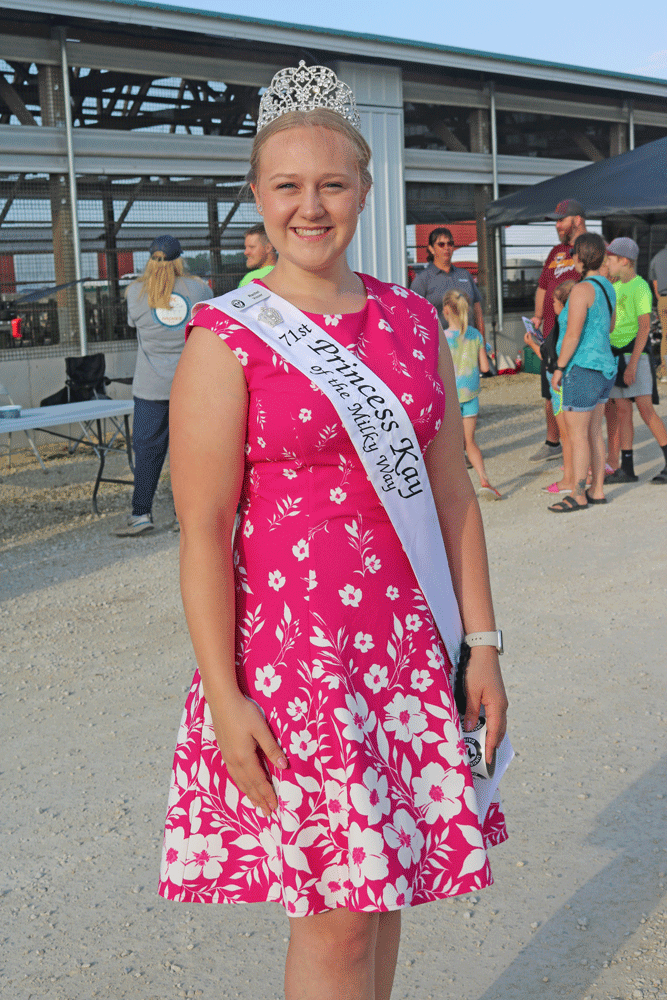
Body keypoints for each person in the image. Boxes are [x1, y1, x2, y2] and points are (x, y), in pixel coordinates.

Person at [158, 62, 508, 1000]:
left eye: (331, 184)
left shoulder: (409, 319)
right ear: (258, 198)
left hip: (403, 653)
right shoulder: (227, 335)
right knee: (339, 920)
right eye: (287, 186)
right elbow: (203, 529)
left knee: (385, 889)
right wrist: (224, 695)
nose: (310, 207)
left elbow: (452, 501)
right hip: (295, 666)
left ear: (362, 190)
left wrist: (482, 645)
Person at [116, 235, 212, 536]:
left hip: (149, 387)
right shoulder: (199, 288)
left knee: (147, 451)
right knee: (187, 454)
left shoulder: (135, 292)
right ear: (180, 258)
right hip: (189, 384)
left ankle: (141, 514)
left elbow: (134, 324)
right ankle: (184, 517)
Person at [548, 233, 617, 512]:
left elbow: (573, 335)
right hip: (605, 368)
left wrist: (559, 367)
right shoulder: (606, 287)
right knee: (594, 433)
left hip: (582, 367)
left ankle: (577, 494)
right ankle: (596, 490)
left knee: (578, 436)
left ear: (579, 257)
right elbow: (610, 328)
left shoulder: (580, 290)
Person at [605, 237, 667, 485]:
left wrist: (632, 365)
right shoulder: (615, 286)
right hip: (616, 354)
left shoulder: (640, 286)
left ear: (624, 261)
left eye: (610, 259)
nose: (607, 264)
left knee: (645, 409)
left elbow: (644, 327)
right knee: (622, 411)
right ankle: (627, 469)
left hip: (636, 355)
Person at [529, 199, 587, 463]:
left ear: (576, 220)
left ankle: (582, 446)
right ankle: (553, 442)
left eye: (561, 219)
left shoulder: (593, 247)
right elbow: (544, 286)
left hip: (579, 332)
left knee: (579, 392)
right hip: (552, 332)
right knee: (550, 392)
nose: (557, 224)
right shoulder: (556, 252)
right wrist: (539, 316)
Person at [442, 289, 500, 499]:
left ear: (446, 310)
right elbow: (485, 367)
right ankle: (484, 480)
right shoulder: (476, 336)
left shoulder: (442, 337)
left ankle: (453, 491)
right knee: (470, 442)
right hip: (471, 397)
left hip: (450, 399)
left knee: (451, 445)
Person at [524, 279, 577, 495]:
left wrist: (532, 345)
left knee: (567, 434)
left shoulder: (561, 327)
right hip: (568, 384)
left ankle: (569, 479)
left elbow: (550, 360)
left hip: (559, 388)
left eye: (554, 301)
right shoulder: (571, 323)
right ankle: (576, 466)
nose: (551, 305)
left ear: (563, 303)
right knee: (576, 433)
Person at [410, 227, 485, 336]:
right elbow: (413, 317)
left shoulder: (465, 275)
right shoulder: (422, 280)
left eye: (450, 244)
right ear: (431, 249)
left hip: (469, 345)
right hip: (440, 346)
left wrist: (481, 343)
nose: (447, 248)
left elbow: (478, 312)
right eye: (441, 244)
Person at [648, 240, 667, 382]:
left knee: (665, 335)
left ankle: (665, 370)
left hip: (663, 300)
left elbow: (655, 286)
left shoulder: (656, 258)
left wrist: (661, 298)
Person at [238, 223, 277, 287]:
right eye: (246, 247)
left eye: (251, 247)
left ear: (268, 248)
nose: (246, 252)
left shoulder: (252, 279)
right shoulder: (289, 275)